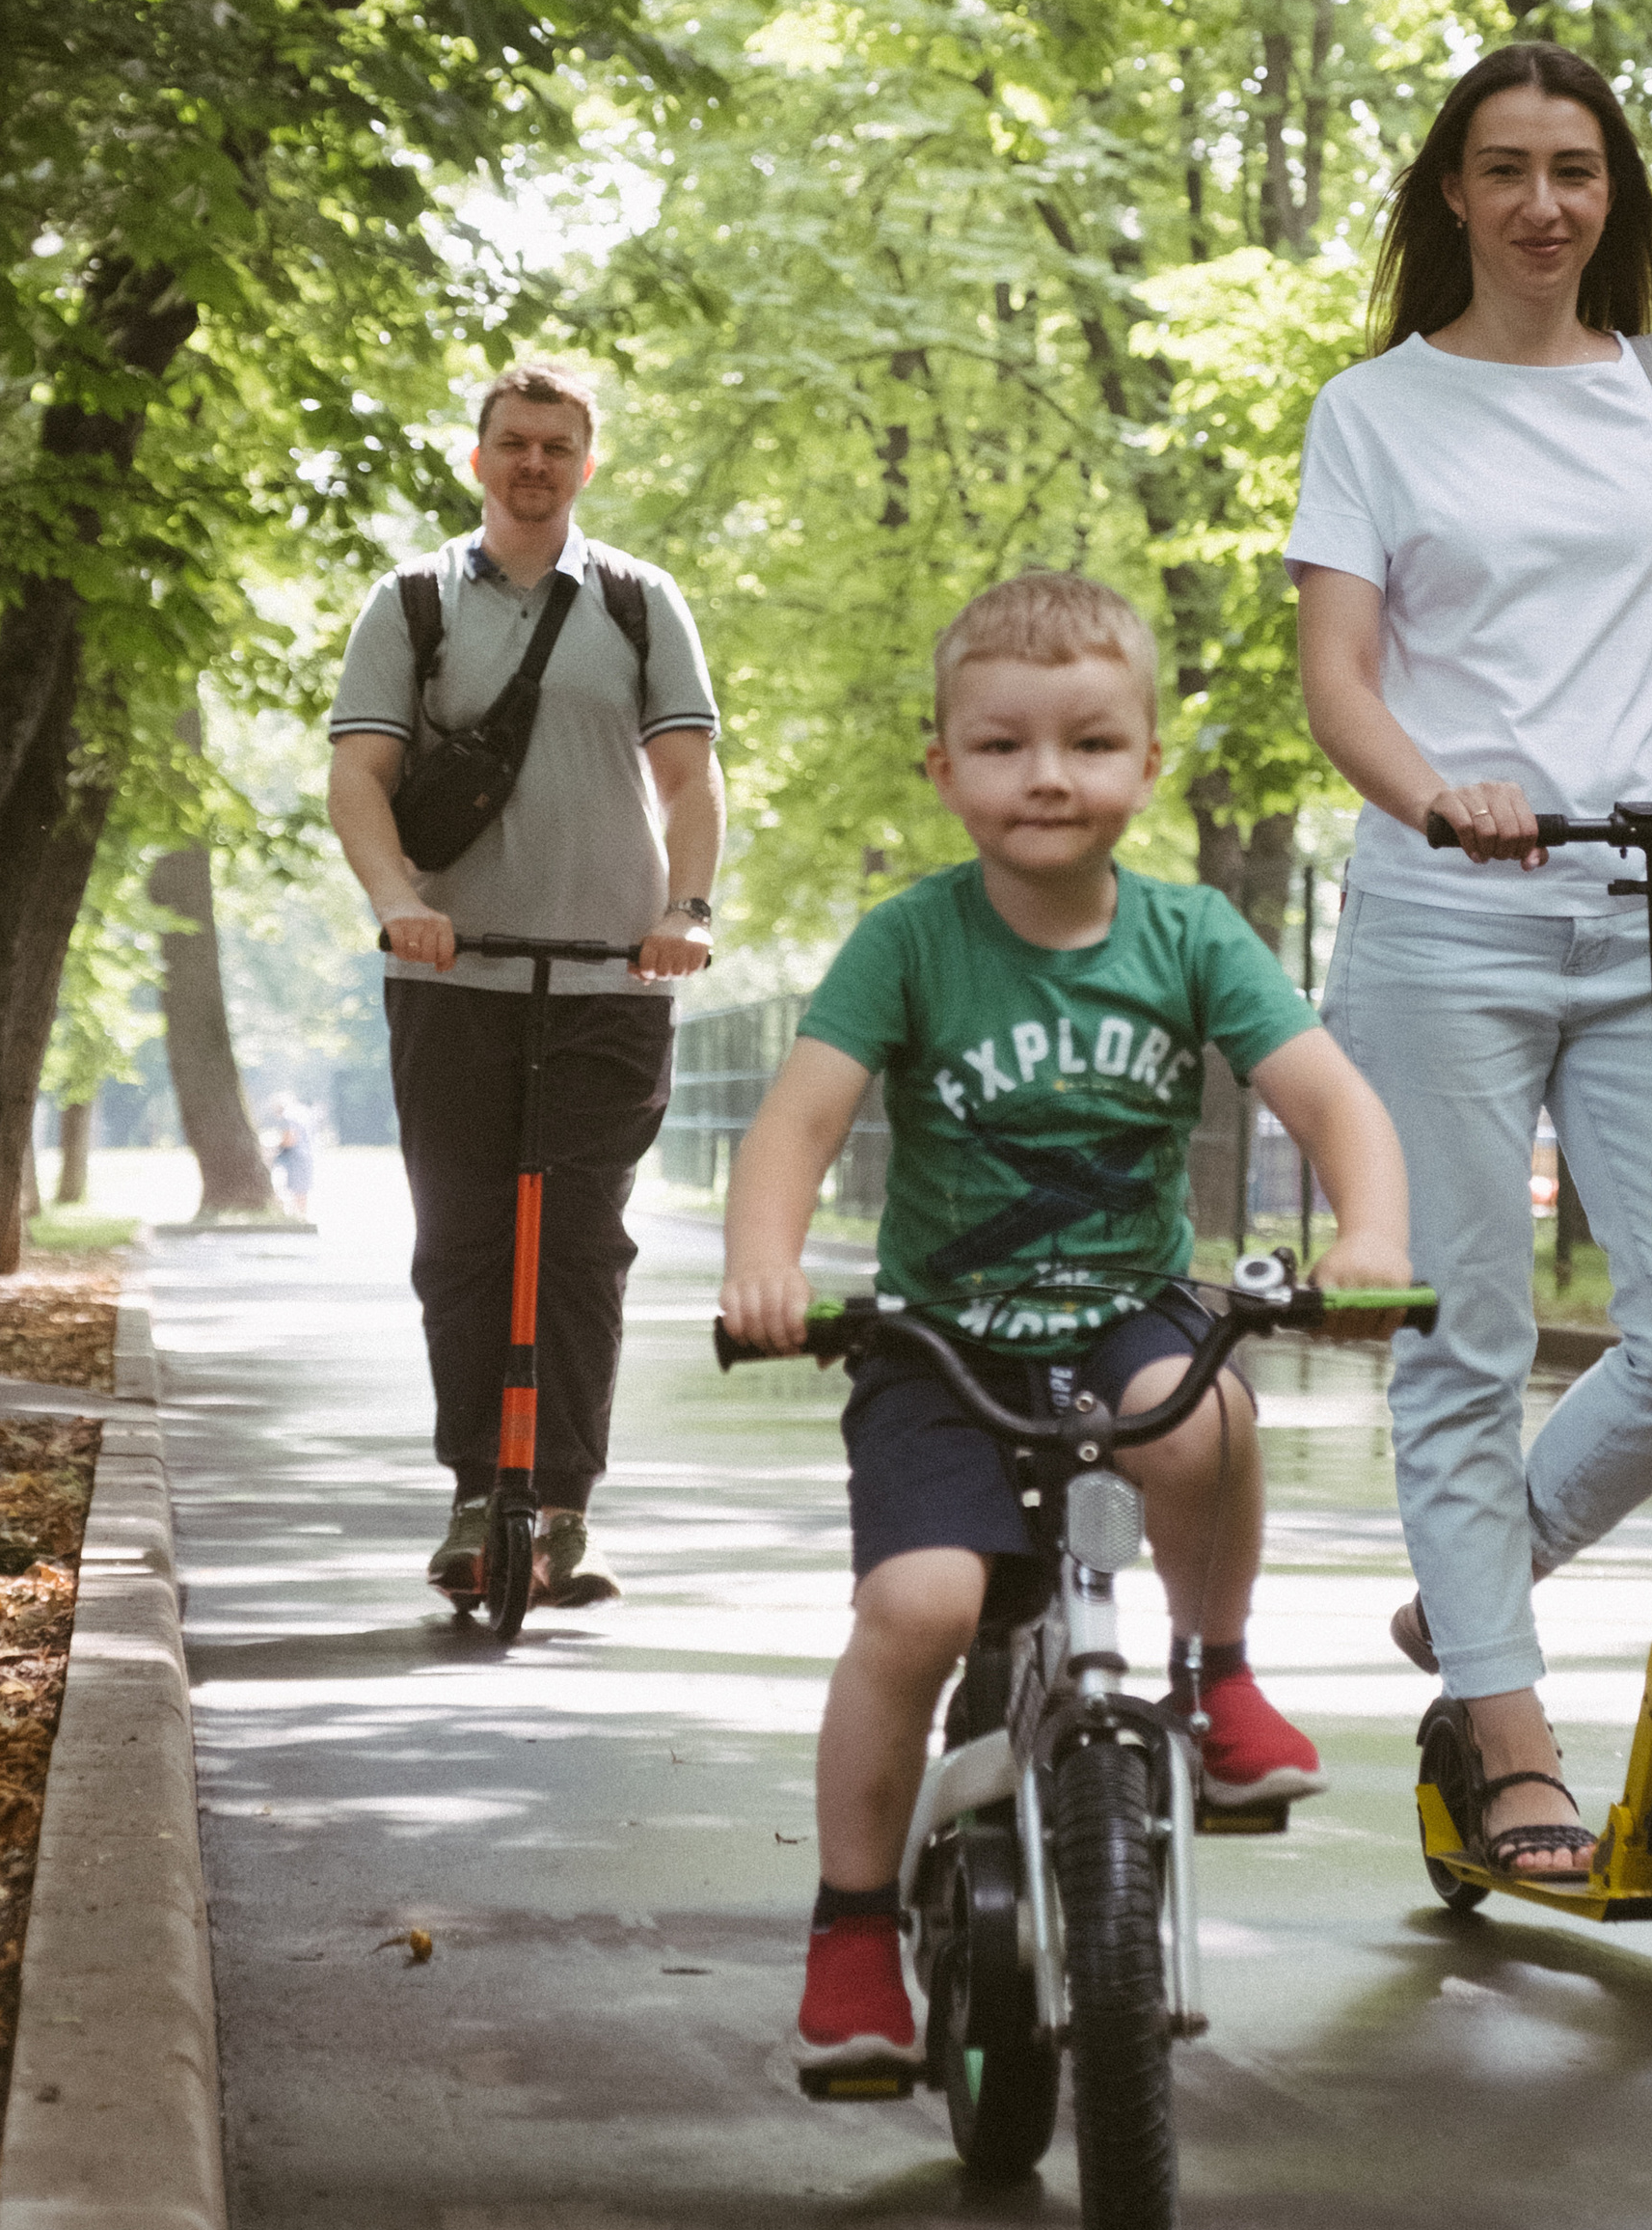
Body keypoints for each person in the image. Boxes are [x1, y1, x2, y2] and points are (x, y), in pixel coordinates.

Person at [1287, 42, 1652, 1887]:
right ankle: (1505, 1729)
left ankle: (1477, 1593)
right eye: (1507, 169)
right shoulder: (1374, 410)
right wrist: (1436, 794)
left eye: (1578, 171)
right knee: (1461, 1339)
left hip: (1644, 910)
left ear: (1614, 198)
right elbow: (1337, 680)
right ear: (1452, 194)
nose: (1545, 204)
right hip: (1444, 923)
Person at [718, 570, 1411, 2087]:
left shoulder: (1191, 934)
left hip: (1121, 1314)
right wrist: (764, 1264)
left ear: (1147, 764)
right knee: (920, 1608)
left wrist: (1369, 1237)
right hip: (943, 1342)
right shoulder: (911, 941)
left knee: (1208, 1419)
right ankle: (852, 1932)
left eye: (1090, 743)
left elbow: (1329, 1099)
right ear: (944, 768)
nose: (1047, 776)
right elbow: (800, 1121)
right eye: (1003, 745)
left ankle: (1215, 1671)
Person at [327, 362, 722, 1608]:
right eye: (514, 443)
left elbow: (691, 779)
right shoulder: (413, 603)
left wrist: (686, 912)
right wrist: (398, 902)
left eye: (557, 445)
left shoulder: (639, 603)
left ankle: (562, 1505)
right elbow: (360, 776)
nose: (534, 464)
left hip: (614, 982)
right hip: (456, 978)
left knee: (582, 1247)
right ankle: (473, 1494)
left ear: (586, 464)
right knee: (462, 1241)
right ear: (479, 458)